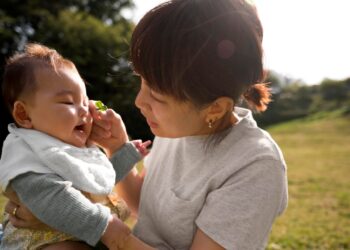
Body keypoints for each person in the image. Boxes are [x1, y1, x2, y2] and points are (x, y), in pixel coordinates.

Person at [3, 0, 288, 249]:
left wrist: (109, 233)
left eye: (158, 95)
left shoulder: (255, 166)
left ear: (215, 108)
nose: (139, 102)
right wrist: (117, 148)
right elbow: (149, 209)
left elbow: (118, 233)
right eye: (142, 80)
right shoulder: (180, 128)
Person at [0, 43, 151, 249]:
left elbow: (94, 182)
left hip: (82, 236)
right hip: (37, 242)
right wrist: (104, 226)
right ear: (23, 115)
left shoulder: (74, 147)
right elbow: (51, 197)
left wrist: (124, 155)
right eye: (68, 103)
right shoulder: (25, 151)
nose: (84, 111)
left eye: (84, 101)